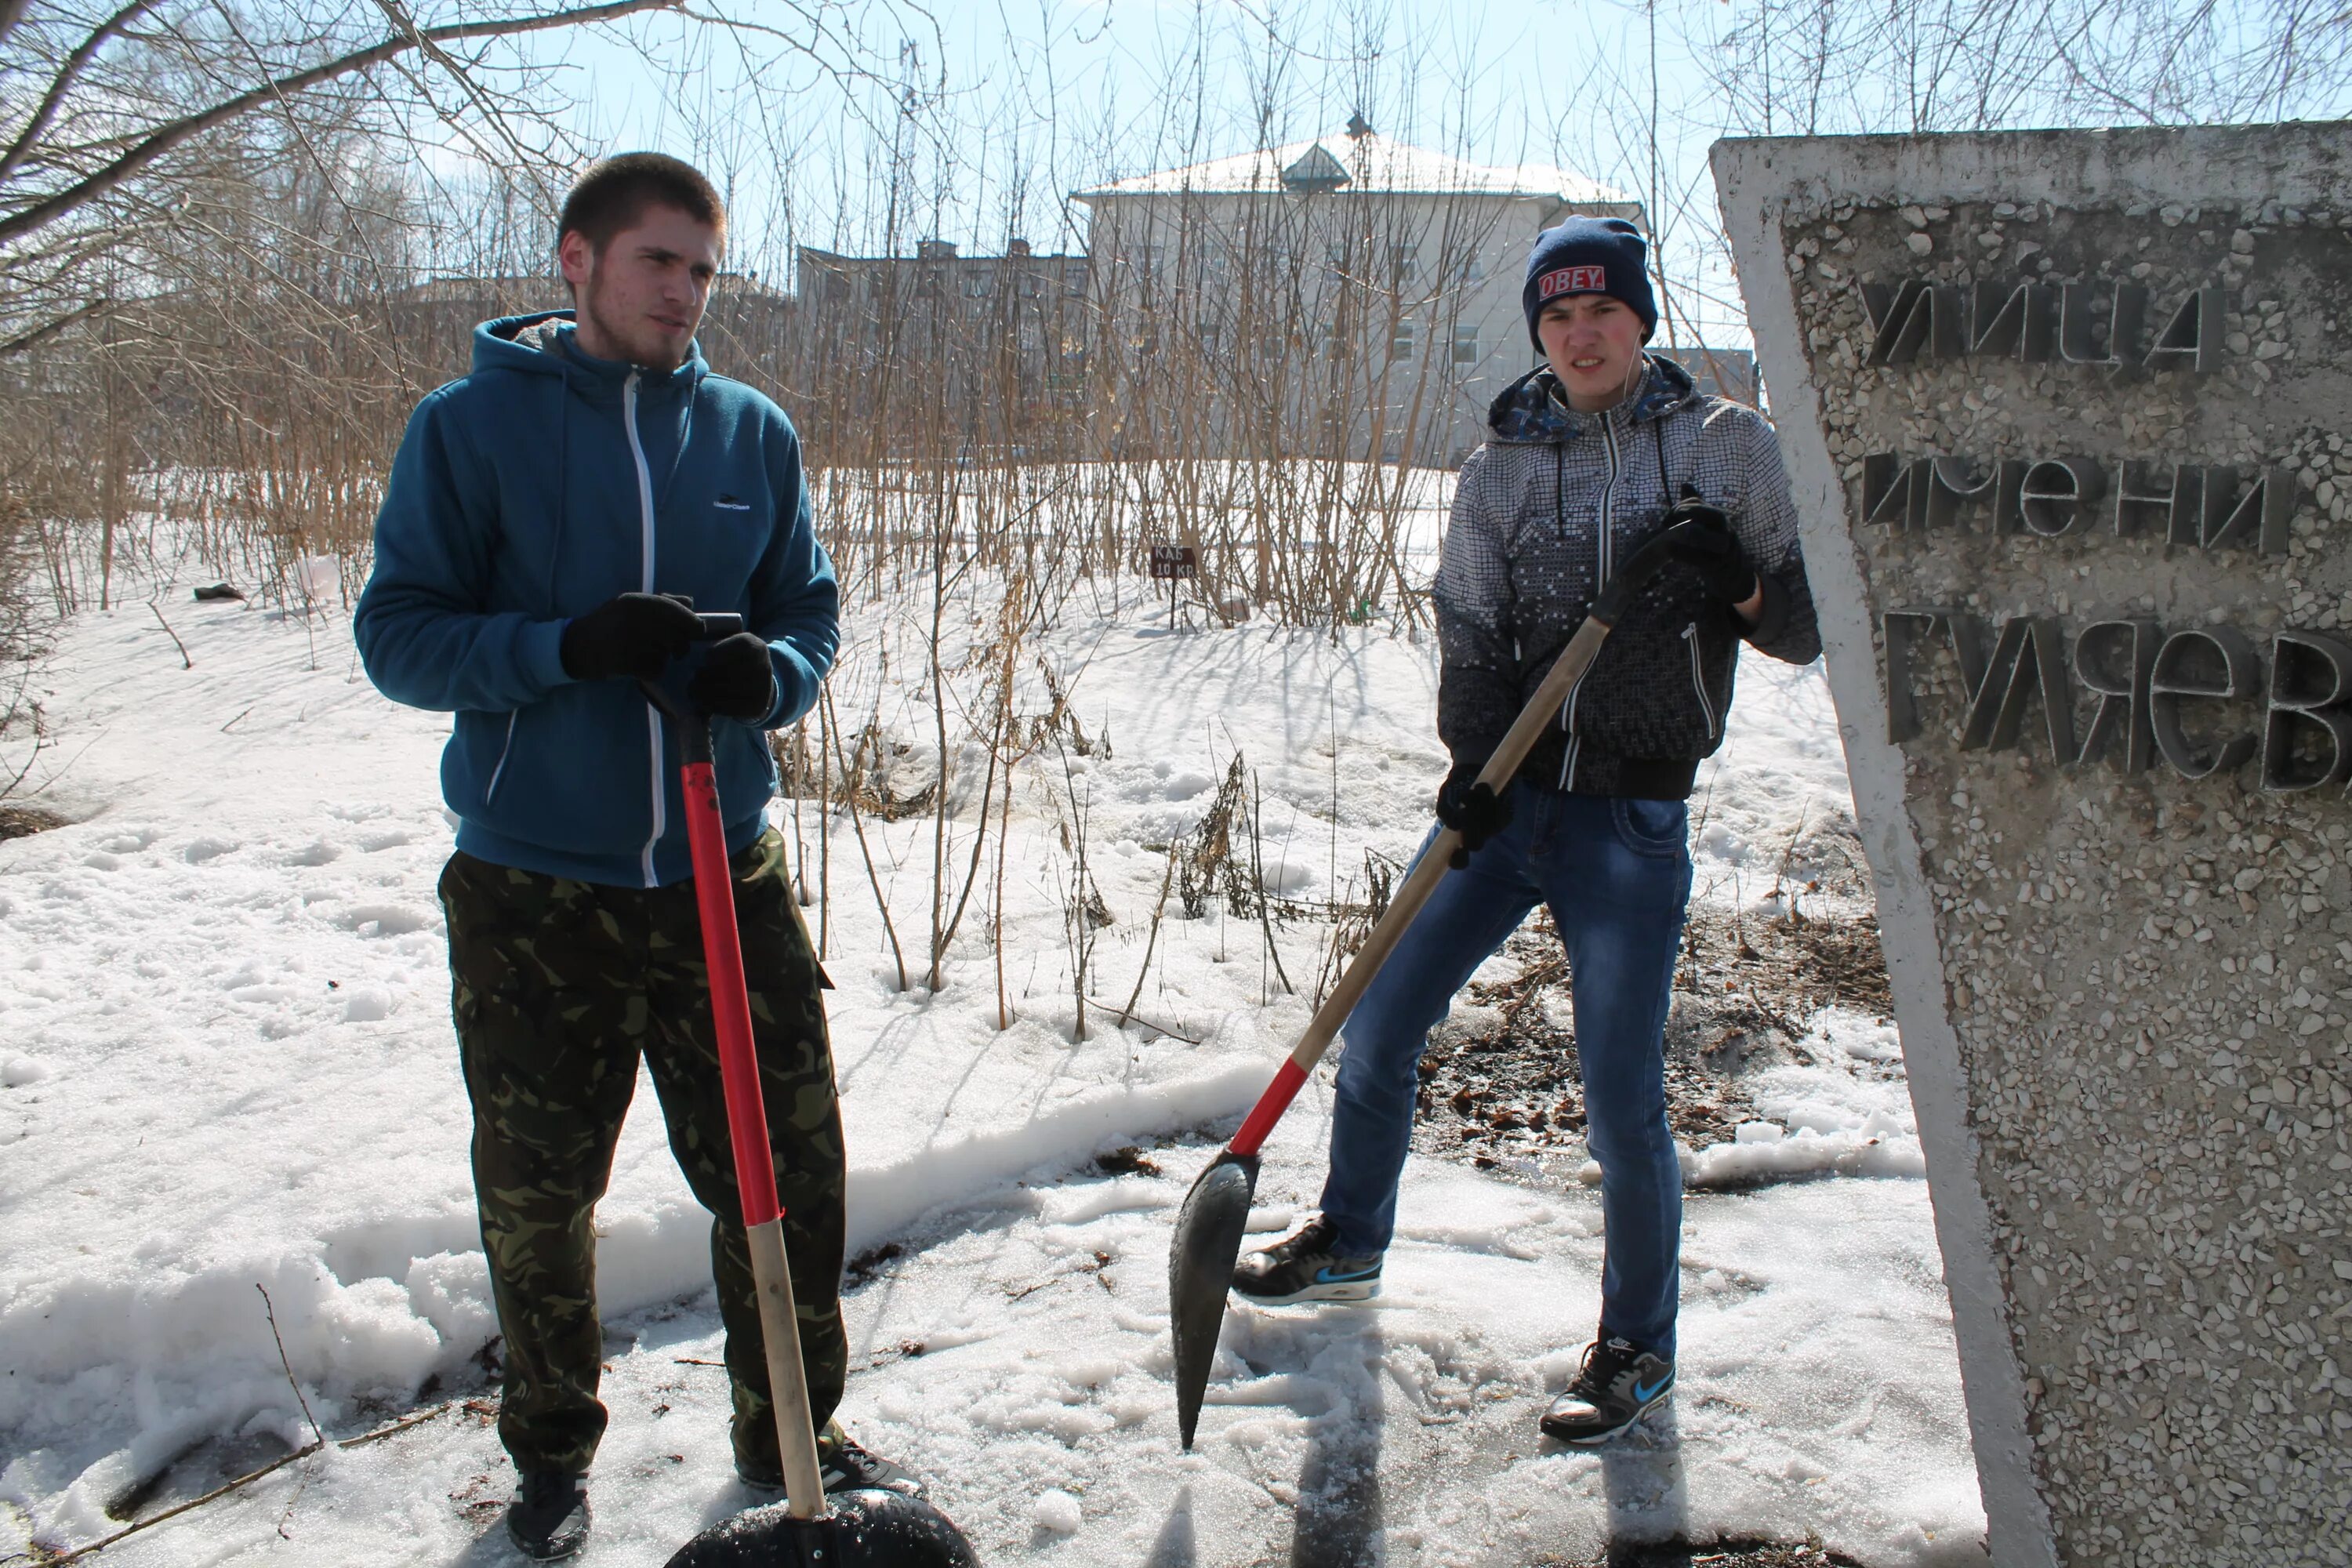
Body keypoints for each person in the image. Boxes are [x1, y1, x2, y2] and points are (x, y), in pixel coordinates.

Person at [354, 152, 914, 1561]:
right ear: (577, 261)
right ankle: (549, 1453)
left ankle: (794, 1428)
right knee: (541, 1192)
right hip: (536, 886)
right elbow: (400, 638)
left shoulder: (748, 432)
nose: (685, 293)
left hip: (725, 870)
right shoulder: (469, 429)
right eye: (659, 262)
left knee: (786, 1171)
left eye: (704, 270)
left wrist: (767, 677)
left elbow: (810, 613)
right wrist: (560, 650)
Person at [1232, 215, 1820, 1446]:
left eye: (1600, 310)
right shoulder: (1500, 467)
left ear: (1640, 319)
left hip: (1633, 823)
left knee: (1619, 1100)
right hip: (1508, 803)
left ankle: (1637, 1348)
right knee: (1382, 1017)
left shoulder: (1727, 449)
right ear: (1538, 334)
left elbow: (1804, 629)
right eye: (1557, 317)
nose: (1580, 333)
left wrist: (1736, 581)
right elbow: (1469, 624)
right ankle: (1351, 1235)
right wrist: (1471, 766)